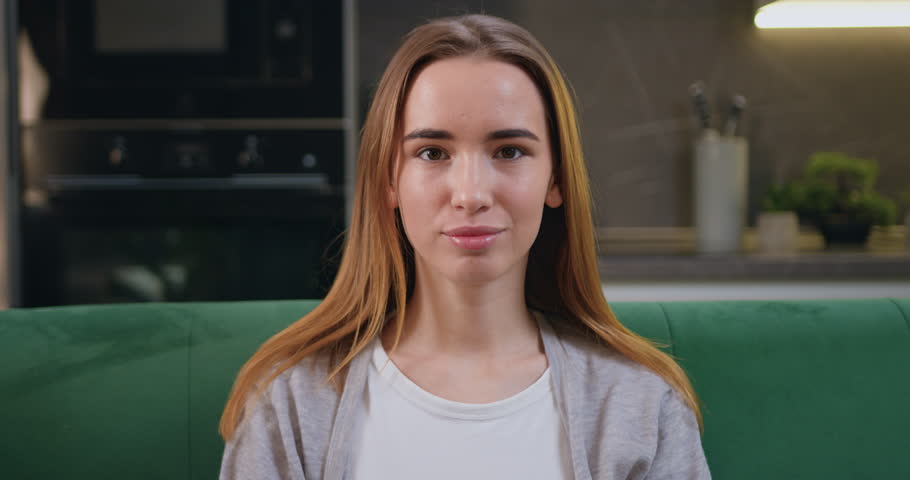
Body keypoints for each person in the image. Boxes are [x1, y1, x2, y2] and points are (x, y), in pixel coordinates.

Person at [219, 13, 711, 480]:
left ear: (555, 178)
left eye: (509, 151)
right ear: (389, 179)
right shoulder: (290, 404)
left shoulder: (643, 406)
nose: (471, 194)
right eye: (432, 152)